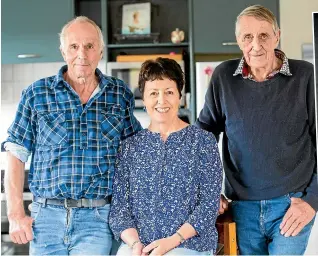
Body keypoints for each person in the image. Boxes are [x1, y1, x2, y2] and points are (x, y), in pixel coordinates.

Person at [2, 16, 142, 255]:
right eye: (74, 47)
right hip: (45, 219)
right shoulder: (37, 93)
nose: (82, 55)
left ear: (100, 51)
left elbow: (137, 155)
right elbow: (16, 153)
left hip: (98, 220)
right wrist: (16, 214)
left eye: (89, 46)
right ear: (63, 51)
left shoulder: (119, 94)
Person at [196, 4, 317, 255]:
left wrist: (312, 201)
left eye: (263, 35)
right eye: (247, 37)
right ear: (238, 41)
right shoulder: (223, 77)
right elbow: (203, 138)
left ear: (277, 36)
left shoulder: (306, 75)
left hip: (292, 205)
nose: (256, 44)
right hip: (242, 207)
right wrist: (207, 190)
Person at [109, 57, 223, 255]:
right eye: (153, 93)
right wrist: (135, 245)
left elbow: (208, 205)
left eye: (169, 92)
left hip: (188, 245)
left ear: (180, 95)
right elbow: (119, 209)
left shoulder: (203, 142)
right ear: (143, 99)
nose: (161, 100)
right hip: (138, 246)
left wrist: (172, 241)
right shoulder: (129, 147)